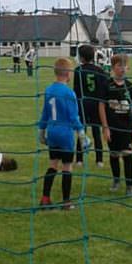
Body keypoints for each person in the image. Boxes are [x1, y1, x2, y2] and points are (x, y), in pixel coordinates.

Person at [39, 58, 89, 210]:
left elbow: (45, 114)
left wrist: (41, 132)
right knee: (67, 167)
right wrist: (82, 136)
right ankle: (66, 202)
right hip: (66, 134)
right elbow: (74, 117)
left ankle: (45, 198)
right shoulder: (69, 93)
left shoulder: (49, 90)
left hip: (52, 133)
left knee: (53, 164)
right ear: (68, 74)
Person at [103, 53, 132, 197]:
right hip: (112, 128)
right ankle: (116, 180)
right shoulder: (107, 86)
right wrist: (105, 127)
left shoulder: (131, 87)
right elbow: (101, 106)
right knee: (114, 155)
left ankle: (130, 186)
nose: (122, 68)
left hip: (126, 128)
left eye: (125, 65)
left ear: (128, 68)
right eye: (119, 65)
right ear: (113, 68)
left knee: (128, 155)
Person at [73, 44, 108, 168]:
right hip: (96, 104)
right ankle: (99, 160)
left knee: (81, 131)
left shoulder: (78, 70)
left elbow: (76, 90)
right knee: (96, 132)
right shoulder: (100, 71)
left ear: (81, 57)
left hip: (82, 103)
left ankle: (79, 160)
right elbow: (105, 89)